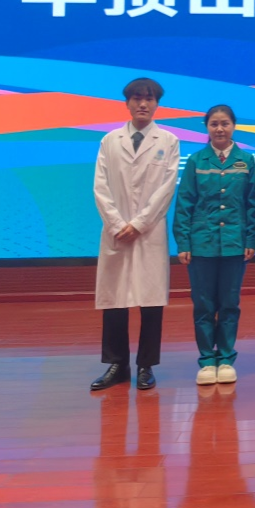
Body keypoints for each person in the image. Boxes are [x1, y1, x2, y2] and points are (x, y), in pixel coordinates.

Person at [90, 77, 180, 391]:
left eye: (149, 99)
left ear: (157, 104)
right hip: (116, 232)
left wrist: (140, 223)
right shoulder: (109, 141)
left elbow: (166, 188)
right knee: (115, 300)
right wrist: (117, 224)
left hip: (148, 232)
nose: (143, 104)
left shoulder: (168, 141)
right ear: (127, 103)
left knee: (150, 301)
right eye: (137, 98)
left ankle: (146, 365)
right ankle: (117, 364)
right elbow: (100, 186)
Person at [173, 104, 255, 387]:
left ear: (233, 126)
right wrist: (183, 241)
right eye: (214, 124)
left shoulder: (246, 161)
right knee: (203, 305)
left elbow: (253, 204)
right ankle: (207, 361)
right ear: (207, 127)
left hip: (235, 243)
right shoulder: (196, 161)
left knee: (229, 304)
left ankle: (225, 359)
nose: (220, 129)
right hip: (202, 244)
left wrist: (251, 239)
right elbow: (185, 203)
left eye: (225, 124)